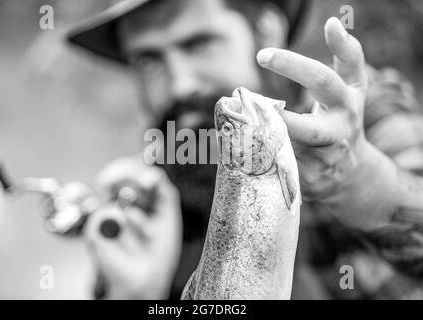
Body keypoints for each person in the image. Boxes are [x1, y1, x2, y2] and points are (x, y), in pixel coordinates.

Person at [64, 0, 423, 299]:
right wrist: (142, 295)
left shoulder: (360, 113)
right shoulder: (152, 192)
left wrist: (363, 183)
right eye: (148, 59)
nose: (179, 84)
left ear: (268, 28)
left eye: (198, 43)